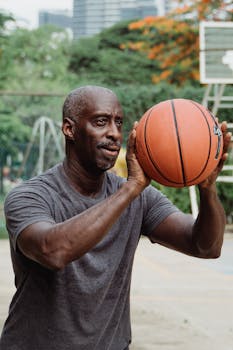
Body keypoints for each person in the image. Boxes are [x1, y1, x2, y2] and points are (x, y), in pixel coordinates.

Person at [0, 85, 231, 350]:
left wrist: (207, 188)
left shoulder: (138, 198)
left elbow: (206, 246)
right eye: (101, 122)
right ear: (69, 129)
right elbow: (54, 251)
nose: (113, 133)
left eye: (118, 123)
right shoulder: (29, 197)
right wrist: (131, 187)